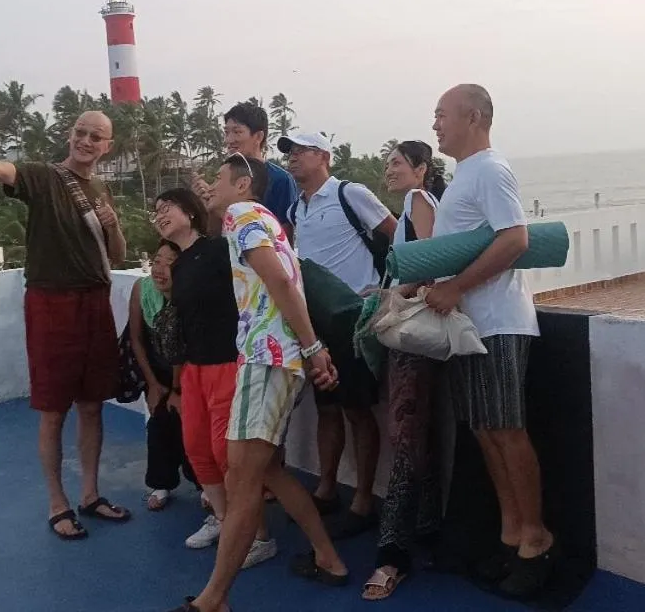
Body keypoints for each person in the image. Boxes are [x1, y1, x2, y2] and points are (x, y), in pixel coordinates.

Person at [0, 111, 130, 541]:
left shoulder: (99, 190)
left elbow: (118, 257)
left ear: (107, 147)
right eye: (81, 132)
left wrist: (115, 225)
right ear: (70, 135)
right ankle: (58, 503)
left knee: (92, 405)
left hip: (95, 301)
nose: (86, 141)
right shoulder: (43, 177)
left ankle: (90, 494)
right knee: (54, 410)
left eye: (96, 137)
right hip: (52, 303)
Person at [170, 155, 348, 612]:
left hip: (267, 357)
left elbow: (281, 283)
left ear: (243, 183)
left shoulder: (242, 214)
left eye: (218, 178)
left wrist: (314, 348)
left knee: (242, 478)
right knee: (265, 470)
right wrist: (309, 349)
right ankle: (328, 558)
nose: (211, 186)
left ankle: (213, 599)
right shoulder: (263, 219)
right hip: (276, 358)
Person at [424, 84, 552, 598]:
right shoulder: (465, 176)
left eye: (442, 115)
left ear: (474, 118)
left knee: (506, 430)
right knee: (484, 431)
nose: (435, 125)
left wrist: (456, 287)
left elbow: (515, 238)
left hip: (499, 320)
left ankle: (536, 541)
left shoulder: (491, 170)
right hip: (471, 326)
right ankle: (511, 535)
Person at [157, 187, 282, 569]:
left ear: (190, 212)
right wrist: (177, 383)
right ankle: (227, 524)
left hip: (227, 363)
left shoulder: (217, 250)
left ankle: (258, 536)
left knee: (228, 456)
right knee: (197, 450)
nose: (160, 214)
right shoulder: (180, 266)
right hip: (194, 369)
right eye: (156, 211)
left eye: (167, 207)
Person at [279, 129, 395, 539]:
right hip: (316, 322)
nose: (292, 158)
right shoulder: (297, 208)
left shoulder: (350, 193)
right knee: (326, 406)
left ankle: (363, 499)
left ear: (323, 156)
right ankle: (326, 488)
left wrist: (386, 288)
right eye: (290, 152)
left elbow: (395, 234)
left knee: (358, 409)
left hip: (353, 320)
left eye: (301, 151)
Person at [362, 141, 447, 601]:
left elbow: (434, 264)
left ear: (421, 169)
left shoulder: (418, 200)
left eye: (397, 162)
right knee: (420, 435)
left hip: (412, 335)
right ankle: (429, 529)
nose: (389, 168)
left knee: (404, 433)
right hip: (413, 334)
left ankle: (391, 555)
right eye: (388, 162)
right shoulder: (416, 203)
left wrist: (394, 294)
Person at [130, 239, 198, 511]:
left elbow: (185, 351)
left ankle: (204, 485)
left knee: (191, 429)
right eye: (157, 261)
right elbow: (136, 339)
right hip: (157, 370)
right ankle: (161, 483)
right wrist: (153, 384)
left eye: (169, 263)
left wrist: (177, 389)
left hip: (188, 372)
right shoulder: (142, 289)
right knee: (158, 425)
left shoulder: (191, 296)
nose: (159, 269)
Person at [193, 101, 299, 239]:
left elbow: (284, 238)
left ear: (258, 137)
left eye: (237, 132)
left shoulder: (280, 179)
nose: (229, 140)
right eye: (226, 132)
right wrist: (208, 203)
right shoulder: (225, 174)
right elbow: (215, 234)